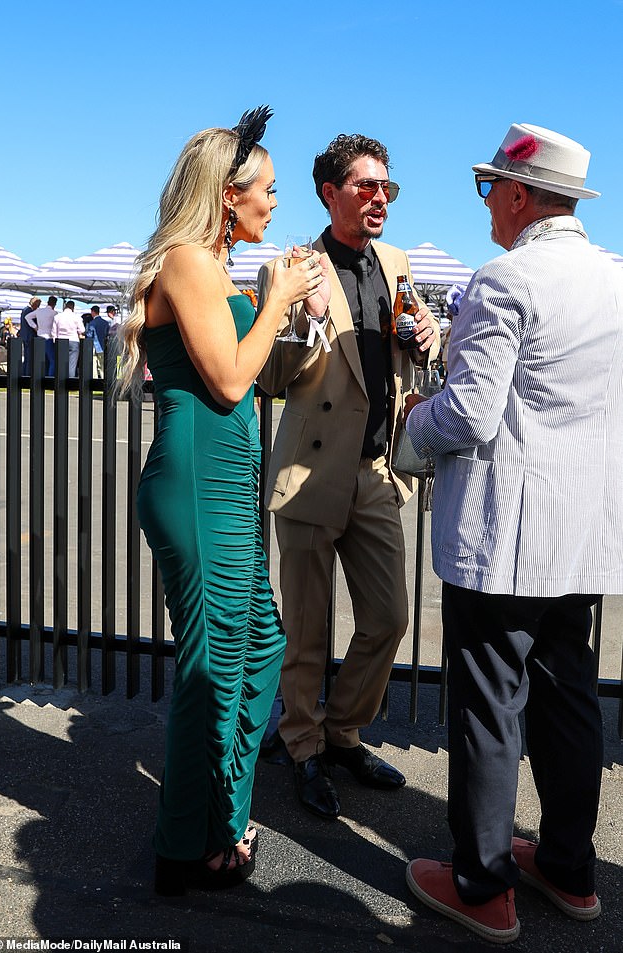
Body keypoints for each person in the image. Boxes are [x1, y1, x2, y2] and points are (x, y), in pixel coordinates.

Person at [403, 123, 623, 944]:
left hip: (507, 540)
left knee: (489, 707)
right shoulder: (616, 279)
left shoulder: (505, 279)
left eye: (491, 187)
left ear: (520, 195)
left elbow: (468, 411)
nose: (489, 203)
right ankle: (569, 868)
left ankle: (482, 883)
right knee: (569, 700)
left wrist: (412, 427)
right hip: (586, 534)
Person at [118, 106, 324, 896]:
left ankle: (221, 815)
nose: (275, 203)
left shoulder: (212, 266)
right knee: (214, 663)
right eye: (267, 189)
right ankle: (187, 845)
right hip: (199, 482)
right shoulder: (187, 262)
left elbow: (250, 371)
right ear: (227, 194)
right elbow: (231, 379)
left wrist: (287, 316)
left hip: (225, 480)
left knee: (260, 645)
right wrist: (275, 298)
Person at [257, 134, 440, 820]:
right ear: (330, 193)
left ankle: (342, 731)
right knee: (305, 631)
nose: (379, 198)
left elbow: (422, 340)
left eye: (386, 187)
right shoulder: (294, 268)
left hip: (374, 471)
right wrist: (299, 324)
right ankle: (303, 745)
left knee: (389, 617)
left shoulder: (396, 263)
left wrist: (431, 336)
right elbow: (270, 376)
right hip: (309, 470)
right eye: (365, 186)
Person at [52, 300, 85, 377]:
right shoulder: (76, 317)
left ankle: (60, 382)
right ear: (73, 307)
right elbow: (82, 330)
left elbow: (54, 331)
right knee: (72, 364)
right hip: (73, 340)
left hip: (60, 340)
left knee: (61, 364)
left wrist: (55, 341)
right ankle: (71, 382)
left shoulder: (57, 316)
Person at [85, 304, 111, 377]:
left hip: (94, 346)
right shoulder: (105, 323)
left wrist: (85, 334)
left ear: (93, 312)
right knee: (102, 364)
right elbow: (108, 334)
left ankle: (95, 379)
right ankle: (103, 378)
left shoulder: (92, 323)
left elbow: (89, 335)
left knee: (93, 364)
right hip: (103, 345)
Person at [35, 296, 58, 375]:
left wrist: (35, 327)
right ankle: (50, 377)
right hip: (49, 338)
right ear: (54, 304)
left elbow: (27, 317)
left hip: (39, 336)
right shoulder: (54, 313)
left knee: (41, 360)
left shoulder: (39, 311)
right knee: (52, 360)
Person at [19, 296, 41, 374]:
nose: (38, 307)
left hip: (25, 336)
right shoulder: (29, 311)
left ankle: (24, 373)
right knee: (29, 358)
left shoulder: (24, 310)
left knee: (26, 357)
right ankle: (27, 374)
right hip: (30, 336)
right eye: (38, 305)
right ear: (34, 304)